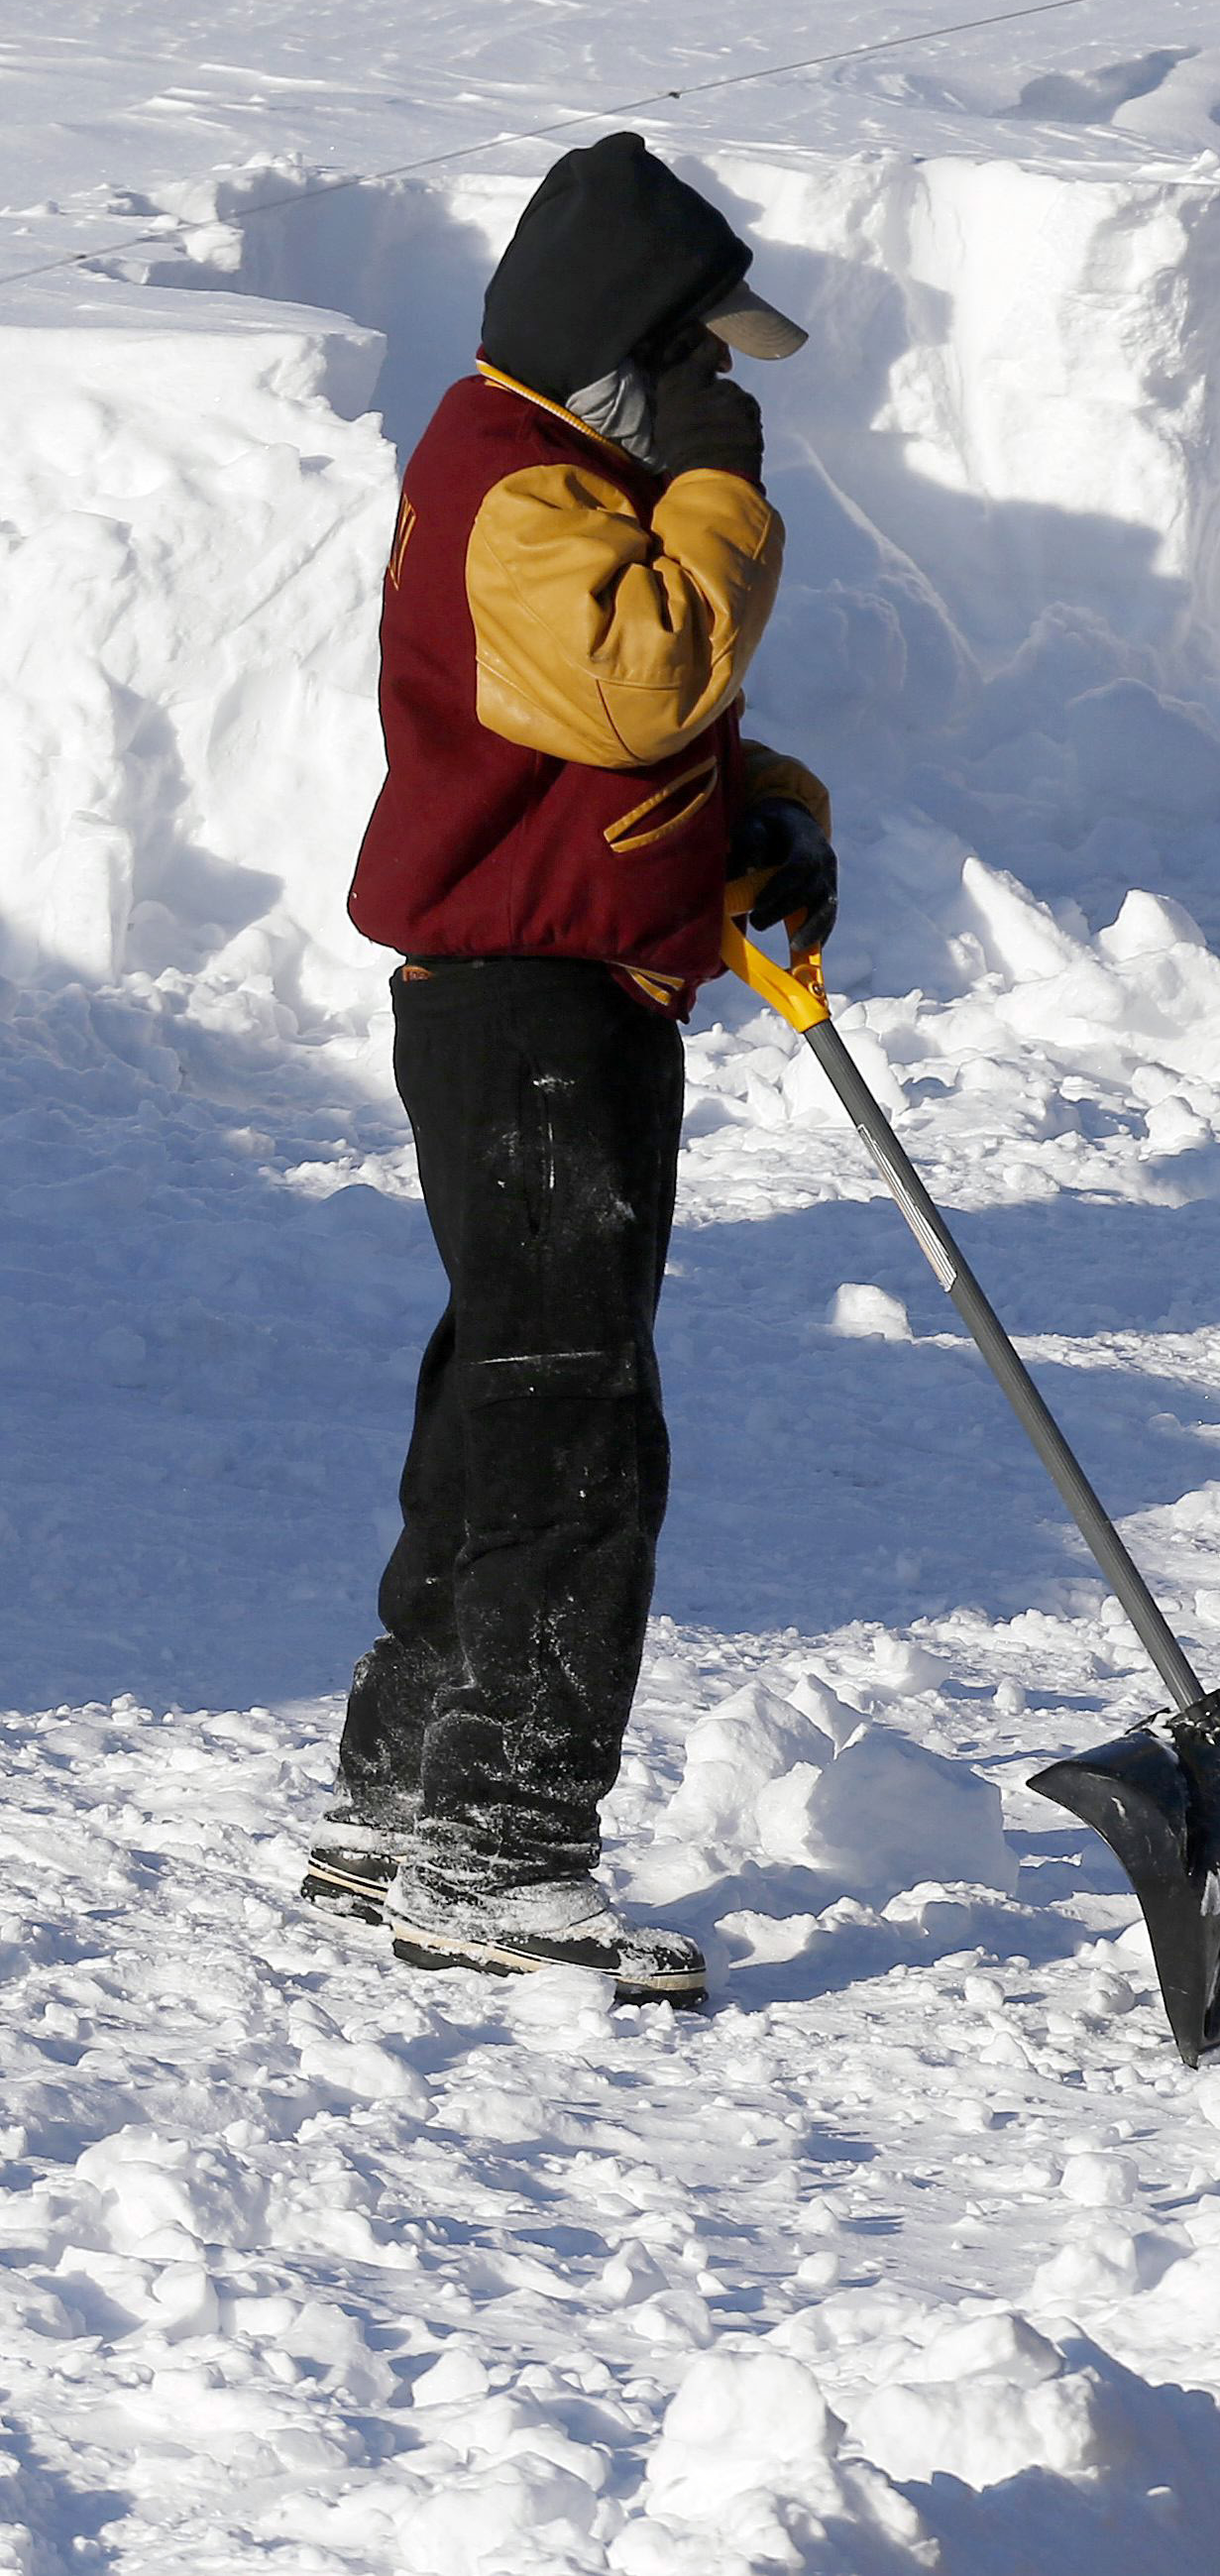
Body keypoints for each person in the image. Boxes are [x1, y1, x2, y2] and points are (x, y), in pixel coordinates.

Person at [310, 131, 836, 2005]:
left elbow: (610, 745)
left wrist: (753, 822)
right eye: (697, 365)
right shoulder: (519, 486)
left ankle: (402, 1791)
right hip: (524, 1009)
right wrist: (719, 491)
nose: (714, 401)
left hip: (550, 988)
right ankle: (501, 1851)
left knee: (510, 1394)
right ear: (626, 343)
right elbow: (635, 685)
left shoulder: (544, 478)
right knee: (573, 1425)